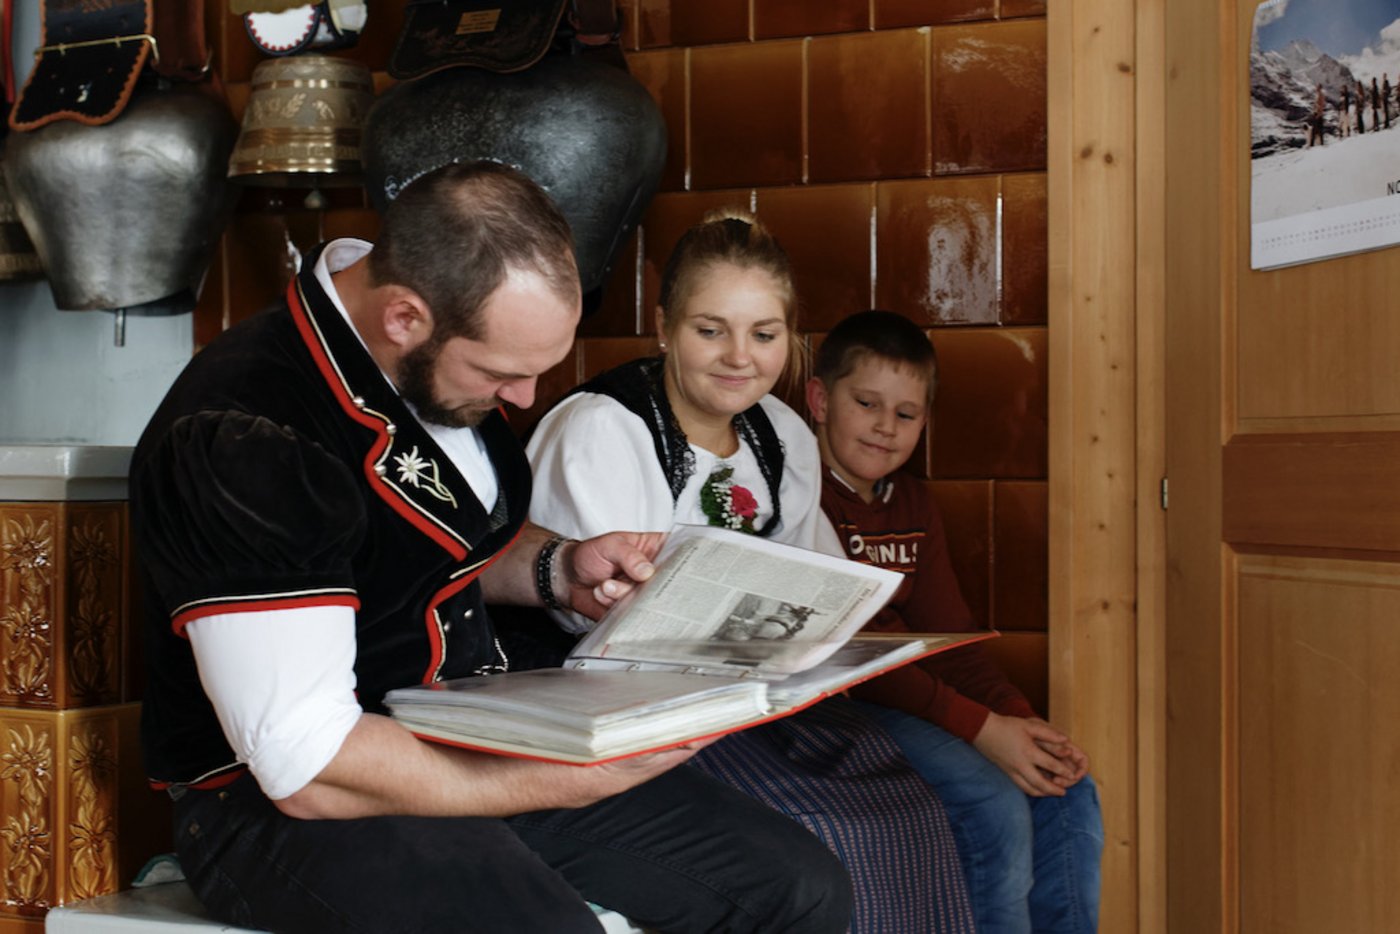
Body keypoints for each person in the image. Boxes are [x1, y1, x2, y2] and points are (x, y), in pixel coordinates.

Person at [128, 162, 854, 934]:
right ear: (405, 316)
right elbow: (307, 767)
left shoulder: (430, 362)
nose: (523, 401)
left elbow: (434, 549)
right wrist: (558, 778)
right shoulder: (248, 433)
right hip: (284, 809)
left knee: (798, 886)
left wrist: (557, 567)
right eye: (504, 374)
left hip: (459, 731)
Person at [525, 212, 976, 934]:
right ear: (666, 325)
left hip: (751, 693)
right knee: (827, 832)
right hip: (628, 707)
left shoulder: (782, 433)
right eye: (711, 330)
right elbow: (588, 612)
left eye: (764, 335)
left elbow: (819, 571)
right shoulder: (602, 428)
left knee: (909, 811)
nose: (740, 357)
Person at [808, 310, 1104, 934]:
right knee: (993, 801)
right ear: (819, 399)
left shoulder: (912, 502)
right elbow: (850, 656)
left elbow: (950, 638)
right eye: (867, 403)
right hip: (842, 702)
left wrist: (1020, 721)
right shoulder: (801, 494)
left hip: (919, 698)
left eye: (907, 414)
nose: (886, 428)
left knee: (1067, 788)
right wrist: (982, 729)